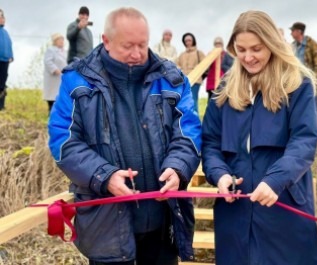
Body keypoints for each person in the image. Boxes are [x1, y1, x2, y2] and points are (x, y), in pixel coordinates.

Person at [48, 7, 201, 265]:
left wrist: (178, 167)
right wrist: (103, 175)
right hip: (106, 226)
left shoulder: (171, 79)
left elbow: (189, 131)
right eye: (128, 46)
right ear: (106, 41)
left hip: (163, 225)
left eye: (142, 44)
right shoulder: (77, 81)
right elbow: (63, 140)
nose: (137, 53)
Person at [202, 10, 317, 265]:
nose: (248, 57)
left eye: (256, 49)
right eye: (241, 49)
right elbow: (211, 143)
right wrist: (220, 175)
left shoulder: (297, 85)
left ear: (272, 43)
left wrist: (275, 180)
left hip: (282, 202)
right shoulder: (224, 89)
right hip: (235, 208)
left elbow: (304, 142)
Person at [176, 32, 205, 113]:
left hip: (195, 80)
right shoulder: (181, 55)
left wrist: (196, 70)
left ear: (193, 41)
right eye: (186, 41)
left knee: (193, 101)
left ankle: (195, 123)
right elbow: (176, 65)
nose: (188, 42)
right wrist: (181, 70)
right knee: (184, 102)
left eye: (189, 40)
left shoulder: (199, 53)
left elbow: (205, 65)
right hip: (184, 81)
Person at [43, 33, 67, 113]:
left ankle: (58, 112)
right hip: (53, 77)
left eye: (62, 40)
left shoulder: (65, 51)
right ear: (55, 41)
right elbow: (48, 61)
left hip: (62, 76)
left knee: (60, 95)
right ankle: (50, 111)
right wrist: (55, 69)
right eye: (59, 40)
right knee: (52, 96)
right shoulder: (51, 50)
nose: (61, 41)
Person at [0, 9, 13, 111]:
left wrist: (11, 56)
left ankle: (1, 105)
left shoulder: (5, 32)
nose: (2, 19)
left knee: (3, 82)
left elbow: (9, 45)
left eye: (3, 18)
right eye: (0, 18)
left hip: (5, 60)